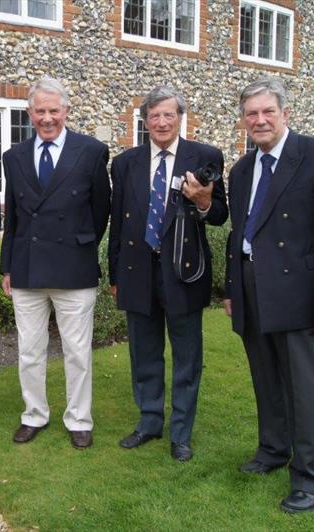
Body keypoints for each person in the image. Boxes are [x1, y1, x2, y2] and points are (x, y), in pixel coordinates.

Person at [224, 78, 314, 513]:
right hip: (251, 286)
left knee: (306, 387)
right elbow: (238, 234)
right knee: (266, 379)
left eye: (267, 112)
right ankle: (274, 450)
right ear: (243, 119)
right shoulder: (243, 169)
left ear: (284, 114)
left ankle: (313, 476)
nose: (259, 120)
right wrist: (231, 289)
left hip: (302, 293)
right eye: (251, 114)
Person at [108, 85, 228, 462]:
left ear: (180, 117)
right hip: (137, 271)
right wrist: (115, 274)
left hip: (184, 272)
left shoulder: (205, 156)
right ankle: (148, 422)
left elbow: (222, 215)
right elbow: (118, 221)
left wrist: (204, 200)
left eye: (168, 115)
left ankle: (181, 432)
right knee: (144, 353)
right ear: (145, 121)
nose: (161, 122)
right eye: (154, 116)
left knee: (187, 356)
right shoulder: (125, 163)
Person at [0, 76, 111, 449]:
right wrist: (7, 267)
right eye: (40, 111)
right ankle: (34, 414)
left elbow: (100, 211)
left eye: (54, 110)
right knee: (29, 350)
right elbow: (12, 217)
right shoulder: (13, 157)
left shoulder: (92, 151)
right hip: (27, 268)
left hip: (74, 268)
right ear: (29, 113)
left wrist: (81, 245)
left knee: (77, 352)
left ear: (66, 110)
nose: (47, 118)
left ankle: (79, 418)